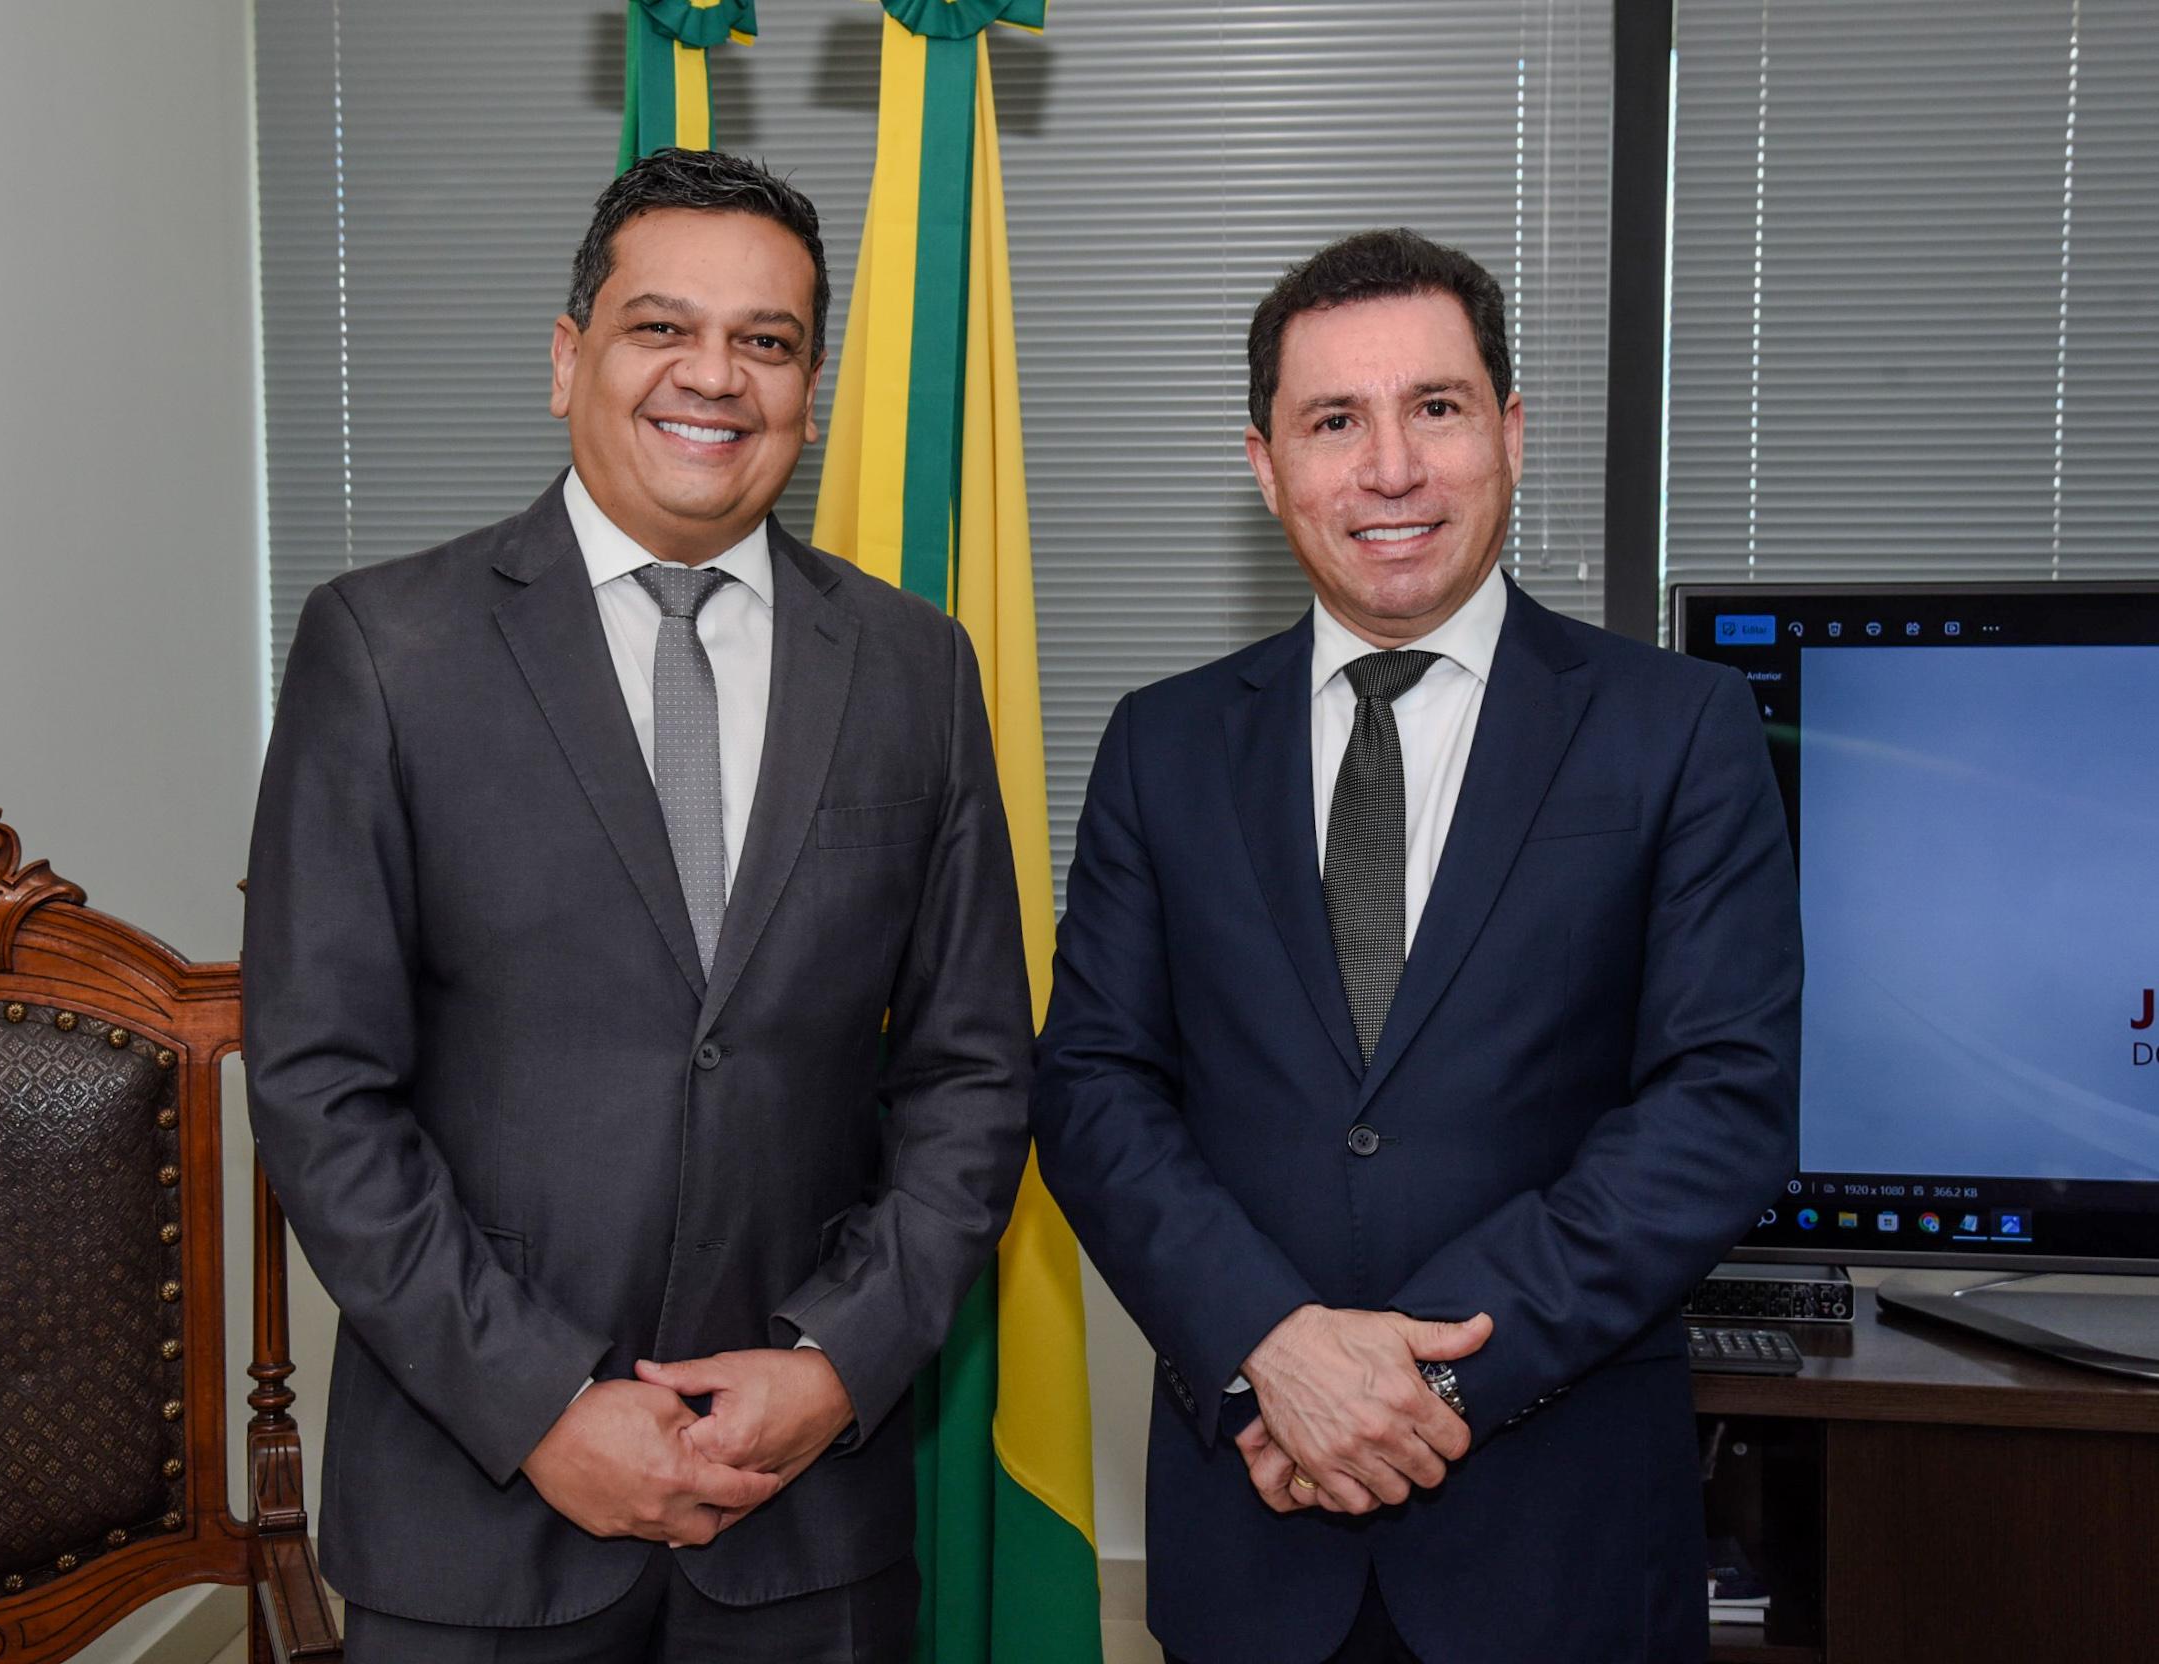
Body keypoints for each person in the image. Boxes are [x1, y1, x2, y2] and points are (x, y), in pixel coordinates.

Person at [243, 149, 1032, 1664]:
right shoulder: (385, 650)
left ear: (811, 388)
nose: (715, 377)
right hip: (477, 1518)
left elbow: (973, 1074)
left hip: (806, 1514)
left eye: (768, 340)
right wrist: (540, 1400)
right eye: (661, 327)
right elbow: (320, 1087)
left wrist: (832, 1360)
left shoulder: (916, 673)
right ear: (568, 359)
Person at [1031, 228, 1801, 1664]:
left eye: (1434, 408)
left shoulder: (1677, 731)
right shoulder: (1164, 745)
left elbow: (1719, 1110)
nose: (1390, 468)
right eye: (1335, 421)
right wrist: (1276, 1344)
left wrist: (1415, 1379)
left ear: (1507, 432)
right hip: (1252, 1533)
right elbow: (1092, 1089)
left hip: (1556, 1542)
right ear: (1266, 466)